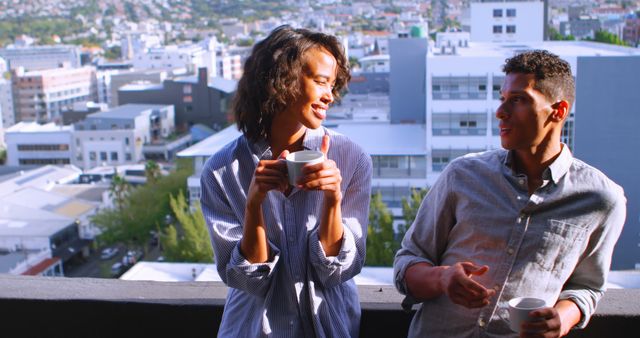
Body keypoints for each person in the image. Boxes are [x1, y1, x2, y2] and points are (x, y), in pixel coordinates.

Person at [393, 50, 626, 337]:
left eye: (518, 100)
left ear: (559, 110)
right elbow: (407, 263)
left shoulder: (601, 199)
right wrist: (442, 279)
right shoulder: (462, 175)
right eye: (503, 98)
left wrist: (562, 319)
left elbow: (588, 287)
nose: (500, 111)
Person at [200, 25, 372, 337]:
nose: (329, 96)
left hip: (329, 328)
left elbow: (340, 272)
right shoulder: (223, 170)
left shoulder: (351, 158)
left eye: (333, 86)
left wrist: (332, 198)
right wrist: (254, 205)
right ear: (282, 79)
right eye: (321, 82)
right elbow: (246, 281)